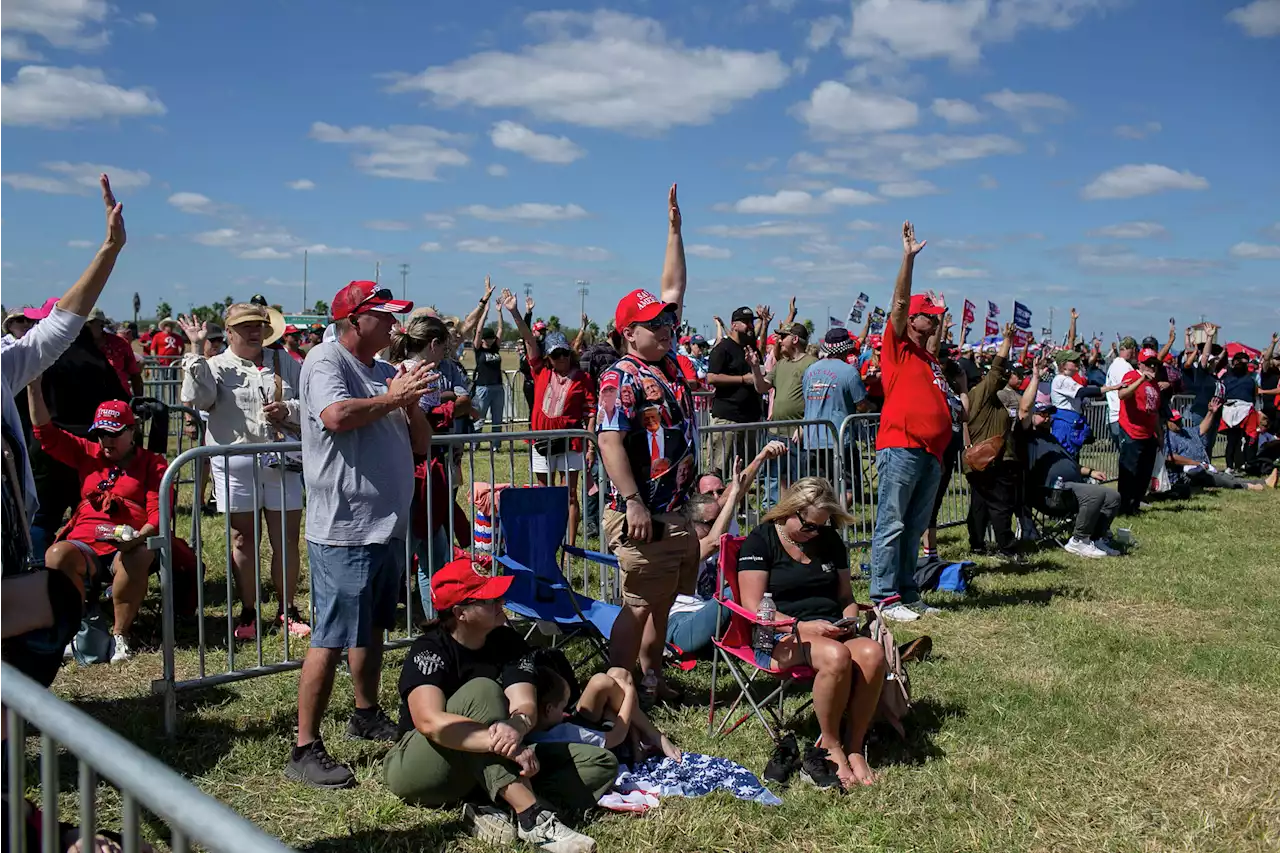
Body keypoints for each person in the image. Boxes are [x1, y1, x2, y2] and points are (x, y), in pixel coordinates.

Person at [288, 280, 433, 789]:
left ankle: (365, 713)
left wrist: (409, 402)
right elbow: (335, 416)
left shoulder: (387, 372)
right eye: (386, 316)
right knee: (329, 639)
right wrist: (394, 398)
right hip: (344, 527)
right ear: (354, 320)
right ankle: (304, 746)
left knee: (372, 629)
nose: (395, 326)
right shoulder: (325, 360)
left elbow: (421, 443)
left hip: (385, 525)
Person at [384, 558, 611, 853]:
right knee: (483, 690)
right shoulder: (429, 648)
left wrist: (517, 727)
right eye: (488, 599)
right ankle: (532, 817)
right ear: (460, 613)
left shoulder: (507, 641)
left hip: (488, 755)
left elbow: (525, 705)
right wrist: (504, 746)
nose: (499, 601)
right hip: (419, 765)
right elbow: (429, 722)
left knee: (600, 764)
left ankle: (489, 804)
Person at [596, 184, 696, 705]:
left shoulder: (671, 361)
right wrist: (633, 500)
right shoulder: (622, 377)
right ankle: (617, 684)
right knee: (638, 603)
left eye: (665, 320)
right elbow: (609, 440)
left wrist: (675, 231)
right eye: (652, 323)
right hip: (644, 514)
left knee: (663, 602)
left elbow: (674, 286)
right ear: (628, 334)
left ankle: (650, 676)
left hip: (677, 511)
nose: (665, 325)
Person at [737, 477, 887, 790]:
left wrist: (848, 621)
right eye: (809, 526)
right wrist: (803, 626)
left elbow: (846, 597)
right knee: (836, 656)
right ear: (789, 511)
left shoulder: (829, 540)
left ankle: (855, 746)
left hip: (831, 631)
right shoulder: (761, 540)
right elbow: (753, 607)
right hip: (780, 634)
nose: (815, 532)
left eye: (822, 526)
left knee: (873, 653)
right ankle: (830, 748)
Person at [179, 305, 308, 639]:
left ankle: (287, 609)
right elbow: (197, 399)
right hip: (235, 464)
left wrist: (288, 408)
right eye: (245, 325)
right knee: (243, 540)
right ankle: (248, 611)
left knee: (287, 539)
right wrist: (195, 349)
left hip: (282, 461)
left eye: (259, 325)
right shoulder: (215, 365)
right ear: (230, 331)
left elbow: (309, 401)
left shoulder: (284, 362)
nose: (254, 331)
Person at [29, 384, 165, 661]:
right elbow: (45, 433)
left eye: (114, 434)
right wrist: (34, 385)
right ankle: (76, 628)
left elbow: (158, 515)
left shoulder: (153, 463)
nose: (106, 441)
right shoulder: (87, 453)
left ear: (132, 430)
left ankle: (120, 635)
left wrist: (138, 538)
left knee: (138, 556)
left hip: (129, 542)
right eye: (101, 434)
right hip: (86, 542)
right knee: (56, 554)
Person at [868, 222, 949, 622]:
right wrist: (907, 259)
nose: (934, 323)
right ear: (912, 320)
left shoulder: (927, 358)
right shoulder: (897, 347)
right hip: (902, 446)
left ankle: (907, 591)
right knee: (893, 523)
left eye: (936, 319)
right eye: (929, 317)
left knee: (912, 526)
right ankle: (884, 595)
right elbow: (898, 304)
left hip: (929, 450)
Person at [665, 442, 787, 656]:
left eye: (719, 492)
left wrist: (760, 457)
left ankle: (780, 637)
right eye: (711, 523)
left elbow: (733, 492)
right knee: (739, 592)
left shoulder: (712, 515)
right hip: (681, 624)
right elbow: (713, 542)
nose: (719, 523)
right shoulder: (685, 540)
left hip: (717, 616)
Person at [502, 291, 595, 545]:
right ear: (549, 357)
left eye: (564, 353)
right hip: (541, 442)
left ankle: (570, 546)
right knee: (544, 494)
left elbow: (591, 411)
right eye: (556, 355)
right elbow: (530, 340)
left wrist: (589, 445)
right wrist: (514, 312)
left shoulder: (582, 378)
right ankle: (546, 542)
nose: (561, 358)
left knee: (570, 496)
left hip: (571, 442)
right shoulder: (540, 371)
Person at [1017, 383, 1121, 558]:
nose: (1048, 418)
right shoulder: (1026, 438)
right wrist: (1035, 377)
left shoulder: (1050, 438)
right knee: (1095, 494)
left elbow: (1070, 464)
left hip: (1069, 488)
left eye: (1049, 414)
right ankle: (1078, 540)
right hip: (1049, 494)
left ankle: (1096, 538)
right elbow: (1024, 411)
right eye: (1042, 414)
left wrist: (1090, 472)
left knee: (1113, 497)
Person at [964, 323, 1023, 559]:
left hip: (978, 462)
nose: (1006, 376)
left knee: (979, 504)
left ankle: (977, 544)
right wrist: (1007, 340)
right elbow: (997, 368)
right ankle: (1007, 549)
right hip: (992, 461)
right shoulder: (983, 393)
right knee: (1000, 506)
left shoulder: (976, 397)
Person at [799, 329, 868, 501]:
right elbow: (862, 405)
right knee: (848, 486)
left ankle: (820, 522)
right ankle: (838, 523)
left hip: (812, 439)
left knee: (815, 489)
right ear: (846, 349)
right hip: (839, 439)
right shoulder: (849, 372)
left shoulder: (810, 370)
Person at [706, 305, 768, 474]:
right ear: (733, 325)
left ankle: (742, 501)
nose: (749, 326)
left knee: (747, 471)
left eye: (751, 322)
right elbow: (711, 377)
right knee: (718, 470)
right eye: (745, 322)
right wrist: (742, 379)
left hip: (750, 417)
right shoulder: (723, 348)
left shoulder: (750, 347)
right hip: (728, 417)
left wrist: (764, 322)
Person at [1164, 408, 1275, 491]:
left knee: (1224, 476)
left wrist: (1211, 412)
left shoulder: (1187, 431)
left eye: (1179, 420)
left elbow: (1202, 427)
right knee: (1216, 477)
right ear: (1168, 422)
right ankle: (1250, 486)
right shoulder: (1168, 437)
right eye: (1175, 422)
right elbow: (1170, 457)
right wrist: (1196, 463)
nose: (1178, 424)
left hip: (1202, 467)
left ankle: (1263, 482)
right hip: (1187, 473)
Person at [1115, 347, 1162, 515]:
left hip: (1148, 433)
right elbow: (1122, 394)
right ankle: (1124, 506)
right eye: (1148, 364)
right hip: (1131, 431)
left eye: (1155, 365)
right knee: (1130, 472)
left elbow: (1154, 411)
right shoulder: (1131, 376)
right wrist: (1141, 379)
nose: (1152, 368)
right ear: (1140, 364)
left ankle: (1135, 504)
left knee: (1144, 472)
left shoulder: (1155, 384)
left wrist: (1159, 434)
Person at [472, 278, 507, 432]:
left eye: (493, 338)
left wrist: (499, 312)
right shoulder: (479, 349)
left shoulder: (495, 349)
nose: (492, 340)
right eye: (489, 338)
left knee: (497, 417)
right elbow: (478, 331)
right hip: (483, 388)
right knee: (479, 416)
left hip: (497, 387)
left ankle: (496, 444)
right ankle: (475, 443)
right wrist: (485, 312)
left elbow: (501, 329)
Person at [86, 307, 144, 400]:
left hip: (118, 400)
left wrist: (139, 401)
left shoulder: (120, 344)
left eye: (88, 324)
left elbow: (135, 375)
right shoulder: (75, 344)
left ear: (101, 325)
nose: (84, 328)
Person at [1220, 349, 1259, 473]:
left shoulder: (1249, 378)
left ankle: (1238, 465)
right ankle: (1236, 465)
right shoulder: (1229, 377)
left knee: (1243, 439)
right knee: (1240, 439)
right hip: (1236, 409)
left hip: (1241, 409)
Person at [1105, 336, 1138, 449]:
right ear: (1133, 349)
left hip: (1115, 417)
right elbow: (1127, 391)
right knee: (1127, 457)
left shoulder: (1115, 364)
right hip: (1121, 418)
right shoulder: (1123, 367)